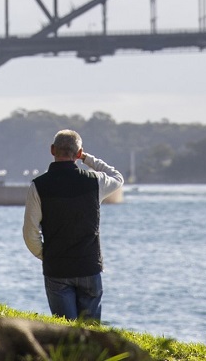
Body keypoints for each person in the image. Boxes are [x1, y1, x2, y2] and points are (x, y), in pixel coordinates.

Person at [22, 129, 123, 321]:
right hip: (89, 265)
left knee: (65, 331)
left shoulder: (38, 186)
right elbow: (117, 178)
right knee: (91, 333)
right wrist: (86, 158)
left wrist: (46, 255)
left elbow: (30, 232)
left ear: (52, 150)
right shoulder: (95, 182)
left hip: (57, 268)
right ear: (78, 153)